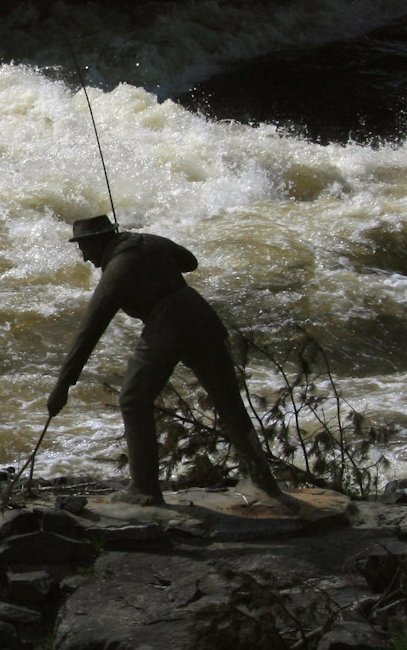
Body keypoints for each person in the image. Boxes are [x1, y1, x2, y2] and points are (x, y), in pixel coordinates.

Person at [46, 214, 291, 507]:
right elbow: (189, 262)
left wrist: (62, 385)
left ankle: (144, 488)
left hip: (168, 325)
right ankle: (263, 481)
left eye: (83, 248)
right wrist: (153, 263)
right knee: (227, 400)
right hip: (200, 315)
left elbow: (90, 330)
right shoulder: (150, 242)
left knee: (133, 400)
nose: (84, 257)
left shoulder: (118, 270)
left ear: (98, 241)